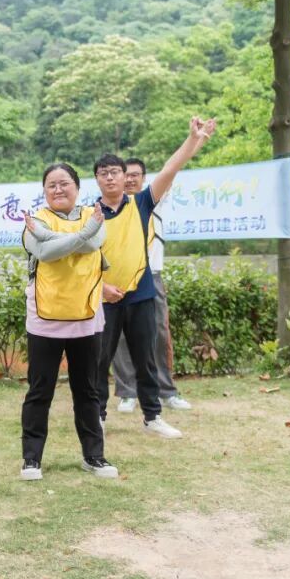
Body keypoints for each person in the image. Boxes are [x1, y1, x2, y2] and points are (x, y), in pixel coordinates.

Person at [93, 117, 216, 438]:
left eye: (115, 172)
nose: (110, 177)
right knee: (99, 360)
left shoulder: (142, 202)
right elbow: (81, 260)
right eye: (103, 173)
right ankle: (97, 415)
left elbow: (171, 169)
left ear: (126, 177)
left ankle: (152, 417)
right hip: (104, 297)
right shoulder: (89, 214)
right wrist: (101, 287)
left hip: (141, 294)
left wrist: (194, 140)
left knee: (146, 357)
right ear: (97, 179)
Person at [20, 163, 116, 480]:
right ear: (44, 191)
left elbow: (91, 244)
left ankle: (94, 456)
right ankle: (31, 459)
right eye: (51, 185)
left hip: (86, 315)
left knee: (87, 390)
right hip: (44, 317)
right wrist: (80, 234)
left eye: (64, 183)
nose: (58, 189)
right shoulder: (35, 220)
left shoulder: (94, 215)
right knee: (40, 390)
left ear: (77, 187)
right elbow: (45, 254)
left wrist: (56, 238)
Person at [112, 157, 192, 414]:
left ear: (144, 178)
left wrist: (193, 141)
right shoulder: (112, 208)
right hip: (120, 280)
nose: (130, 179)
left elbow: (171, 170)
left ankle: (166, 391)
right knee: (119, 338)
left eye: (136, 175)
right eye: (126, 174)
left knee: (159, 334)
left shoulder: (153, 201)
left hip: (151, 276)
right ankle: (127, 393)